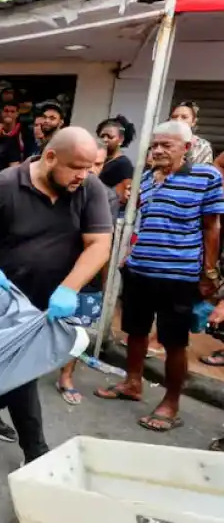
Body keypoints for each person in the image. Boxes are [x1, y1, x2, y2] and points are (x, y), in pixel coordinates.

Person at [0, 127, 113, 464]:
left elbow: (99, 243)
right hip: (4, 299)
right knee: (22, 368)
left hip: (49, 301)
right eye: (77, 167)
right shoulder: (4, 185)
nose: (83, 176)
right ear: (51, 157)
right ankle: (36, 454)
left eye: (89, 168)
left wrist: (70, 287)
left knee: (20, 366)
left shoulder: (89, 188)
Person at [96, 120, 224, 432]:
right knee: (136, 332)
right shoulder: (148, 180)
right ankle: (132, 382)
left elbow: (212, 227)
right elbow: (144, 221)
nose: (158, 151)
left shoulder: (207, 177)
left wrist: (209, 273)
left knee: (174, 341)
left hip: (178, 276)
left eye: (166, 145)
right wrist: (130, 254)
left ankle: (171, 401)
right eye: (155, 145)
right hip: (140, 270)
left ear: (187, 148)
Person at [55, 139, 120, 405]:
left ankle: (66, 376)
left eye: (97, 164)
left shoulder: (107, 196)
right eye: (83, 164)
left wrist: (103, 283)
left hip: (87, 275)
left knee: (78, 329)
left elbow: (104, 243)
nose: (89, 171)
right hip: (51, 270)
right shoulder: (56, 188)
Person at [96, 115, 136, 208]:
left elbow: (124, 197)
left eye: (110, 137)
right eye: (102, 136)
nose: (105, 139)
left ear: (121, 139)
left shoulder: (123, 163)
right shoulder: (98, 159)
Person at [171, 101, 213, 165]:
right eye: (174, 117)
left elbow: (203, 172)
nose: (178, 120)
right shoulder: (160, 141)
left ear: (193, 122)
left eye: (184, 117)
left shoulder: (202, 146)